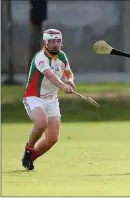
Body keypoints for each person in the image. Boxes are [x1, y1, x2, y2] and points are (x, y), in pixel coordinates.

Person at [22, 29, 75, 170]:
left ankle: (30, 158)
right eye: (52, 41)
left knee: (52, 138)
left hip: (52, 100)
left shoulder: (62, 56)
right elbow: (51, 76)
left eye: (58, 41)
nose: (55, 44)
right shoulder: (40, 57)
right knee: (41, 123)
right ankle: (28, 149)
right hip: (34, 97)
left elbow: (68, 73)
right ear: (45, 42)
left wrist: (70, 81)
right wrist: (63, 86)